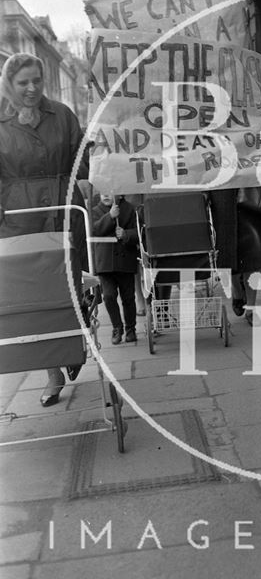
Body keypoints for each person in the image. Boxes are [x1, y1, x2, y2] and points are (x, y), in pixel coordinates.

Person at [0, 53, 88, 407]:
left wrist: (86, 186)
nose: (32, 88)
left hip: (63, 208)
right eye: (23, 83)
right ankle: (51, 373)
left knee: (69, 283)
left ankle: (71, 346)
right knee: (34, 297)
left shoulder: (62, 115)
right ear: (9, 85)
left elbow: (80, 156)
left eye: (37, 80)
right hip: (19, 217)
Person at [92, 194, 139, 344]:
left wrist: (127, 234)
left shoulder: (129, 209)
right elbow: (94, 230)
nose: (105, 195)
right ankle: (117, 327)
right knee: (109, 296)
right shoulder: (94, 210)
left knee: (128, 297)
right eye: (102, 192)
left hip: (125, 261)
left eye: (109, 191)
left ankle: (131, 329)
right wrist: (110, 216)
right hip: (105, 264)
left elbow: (139, 232)